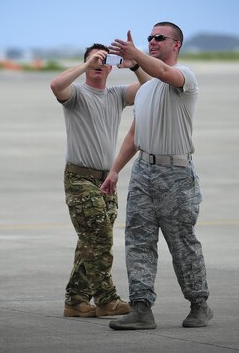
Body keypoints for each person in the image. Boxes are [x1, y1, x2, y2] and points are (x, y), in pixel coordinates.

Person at [100, 22, 213, 330]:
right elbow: (135, 134)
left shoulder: (184, 77)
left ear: (175, 45)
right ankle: (141, 307)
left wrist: (136, 55)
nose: (152, 41)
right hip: (143, 173)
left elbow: (165, 74)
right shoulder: (146, 90)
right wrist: (114, 170)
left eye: (159, 38)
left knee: (182, 243)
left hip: (175, 174)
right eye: (149, 37)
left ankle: (199, 304)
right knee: (137, 240)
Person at [50, 42, 150, 317]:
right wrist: (87, 63)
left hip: (106, 180)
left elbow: (150, 89)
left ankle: (75, 300)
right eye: (94, 60)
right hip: (79, 179)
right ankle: (107, 300)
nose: (98, 64)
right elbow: (56, 85)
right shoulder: (76, 94)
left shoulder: (115, 95)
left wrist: (136, 66)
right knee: (100, 239)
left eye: (104, 61)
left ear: (110, 68)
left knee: (90, 241)